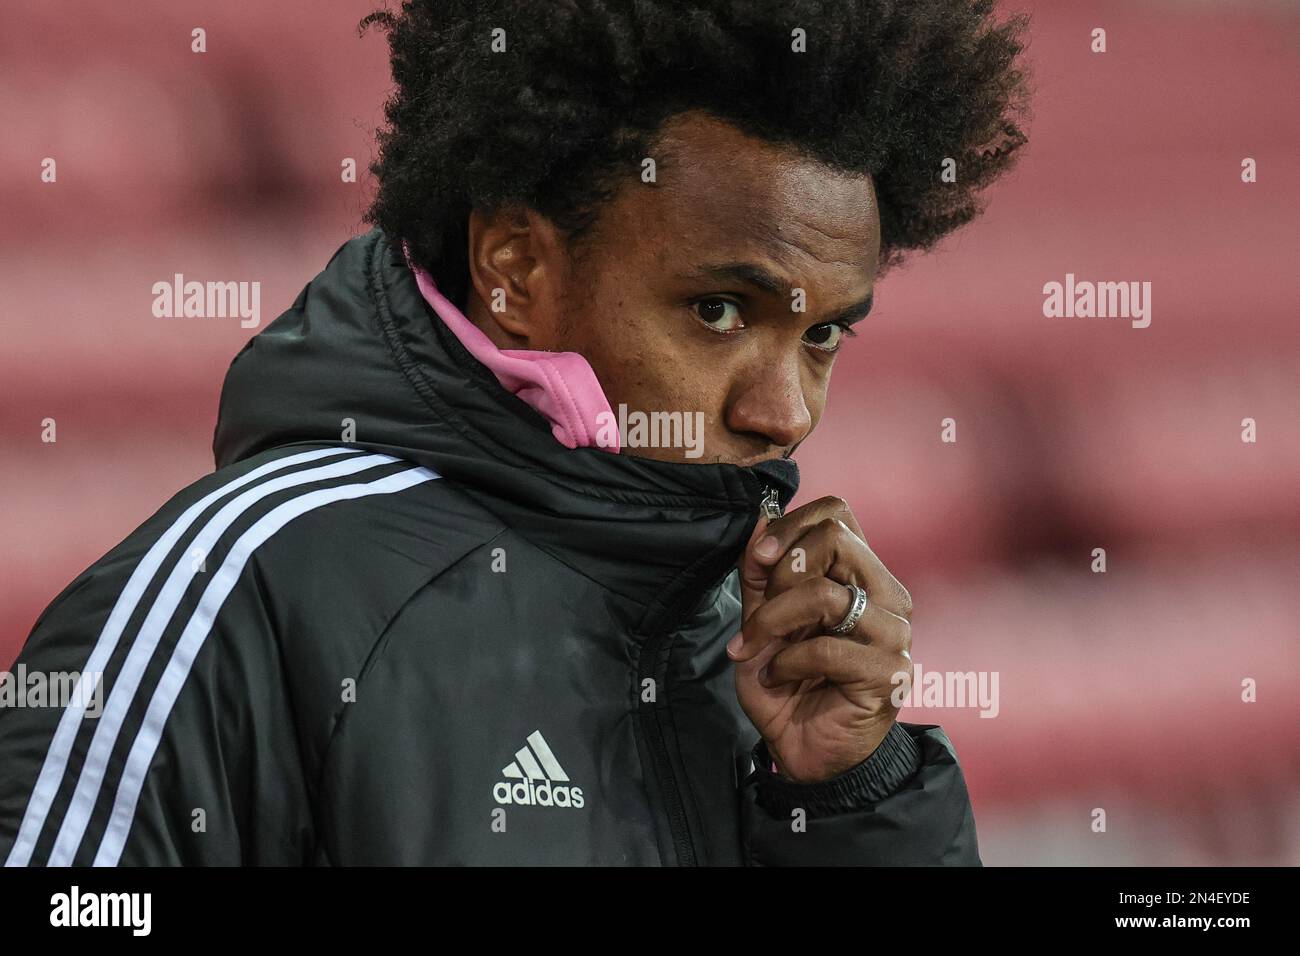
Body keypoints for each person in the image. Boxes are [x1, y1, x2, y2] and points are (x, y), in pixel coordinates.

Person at [0, 0, 1029, 865]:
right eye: (719, 311)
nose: (785, 411)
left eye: (822, 336)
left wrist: (855, 799)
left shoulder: (766, 653)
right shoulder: (239, 587)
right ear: (515, 270)